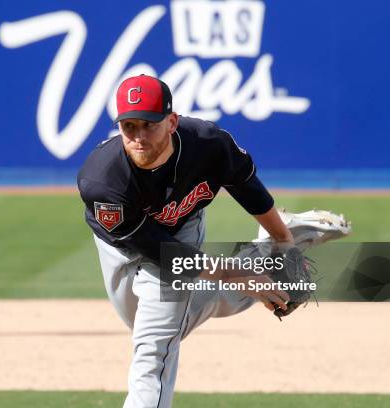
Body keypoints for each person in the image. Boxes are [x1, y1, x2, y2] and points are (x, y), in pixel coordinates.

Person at [77, 74, 348, 408]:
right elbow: (166, 255)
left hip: (183, 227)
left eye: (149, 124)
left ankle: (283, 238)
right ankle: (264, 255)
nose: (139, 137)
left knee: (155, 345)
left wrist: (284, 243)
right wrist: (243, 272)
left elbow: (249, 190)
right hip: (124, 246)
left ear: (172, 121)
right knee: (157, 322)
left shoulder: (208, 144)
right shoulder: (103, 183)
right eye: (129, 126)